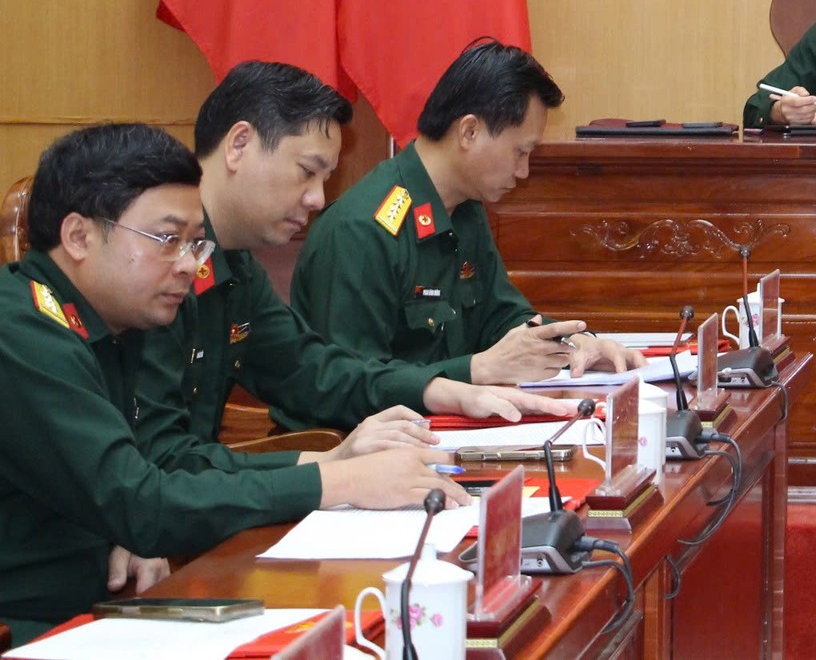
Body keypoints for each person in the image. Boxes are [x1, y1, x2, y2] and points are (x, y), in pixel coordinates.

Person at [0, 123, 461, 643]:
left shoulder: (111, 321)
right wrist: (338, 483)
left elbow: (158, 469)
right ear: (79, 237)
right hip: (31, 628)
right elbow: (140, 503)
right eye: (167, 240)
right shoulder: (23, 332)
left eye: (194, 243)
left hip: (105, 605)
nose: (187, 265)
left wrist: (329, 467)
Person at [142, 61, 573, 452]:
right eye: (307, 172)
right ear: (239, 145)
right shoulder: (154, 266)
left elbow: (318, 371)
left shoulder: (237, 267)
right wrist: (327, 469)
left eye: (324, 178)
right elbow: (162, 476)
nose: (317, 199)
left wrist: (446, 389)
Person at [291, 41, 642, 382]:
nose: (524, 171)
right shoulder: (361, 230)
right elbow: (352, 384)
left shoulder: (465, 208)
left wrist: (574, 343)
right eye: (520, 152)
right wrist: (473, 372)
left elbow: (500, 317)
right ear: (469, 131)